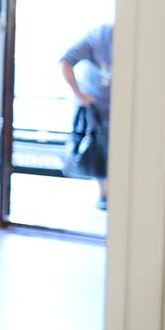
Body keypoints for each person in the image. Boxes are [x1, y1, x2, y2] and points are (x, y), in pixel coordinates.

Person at [59, 22, 114, 209]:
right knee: (100, 150)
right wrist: (79, 94)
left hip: (123, 110)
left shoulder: (138, 35)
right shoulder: (98, 35)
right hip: (96, 109)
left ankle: (113, 194)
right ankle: (104, 194)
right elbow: (66, 61)